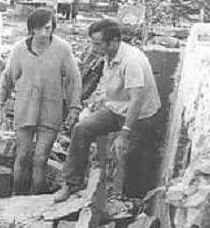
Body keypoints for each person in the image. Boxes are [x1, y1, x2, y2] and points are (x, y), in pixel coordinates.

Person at [55, 19, 162, 202]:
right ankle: (72, 183)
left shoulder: (131, 61)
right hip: (116, 109)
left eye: (97, 44)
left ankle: (128, 201)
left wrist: (124, 133)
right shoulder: (107, 55)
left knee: (127, 158)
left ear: (113, 41)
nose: (93, 47)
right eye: (92, 43)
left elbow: (137, 100)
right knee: (82, 129)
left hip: (140, 116)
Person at [0, 9, 82, 195]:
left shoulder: (62, 49)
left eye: (49, 28)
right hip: (25, 109)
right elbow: (8, 77)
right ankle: (17, 196)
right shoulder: (19, 49)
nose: (45, 33)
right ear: (32, 29)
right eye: (40, 29)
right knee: (22, 155)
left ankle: (36, 200)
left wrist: (74, 107)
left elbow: (74, 79)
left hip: (50, 111)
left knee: (40, 158)